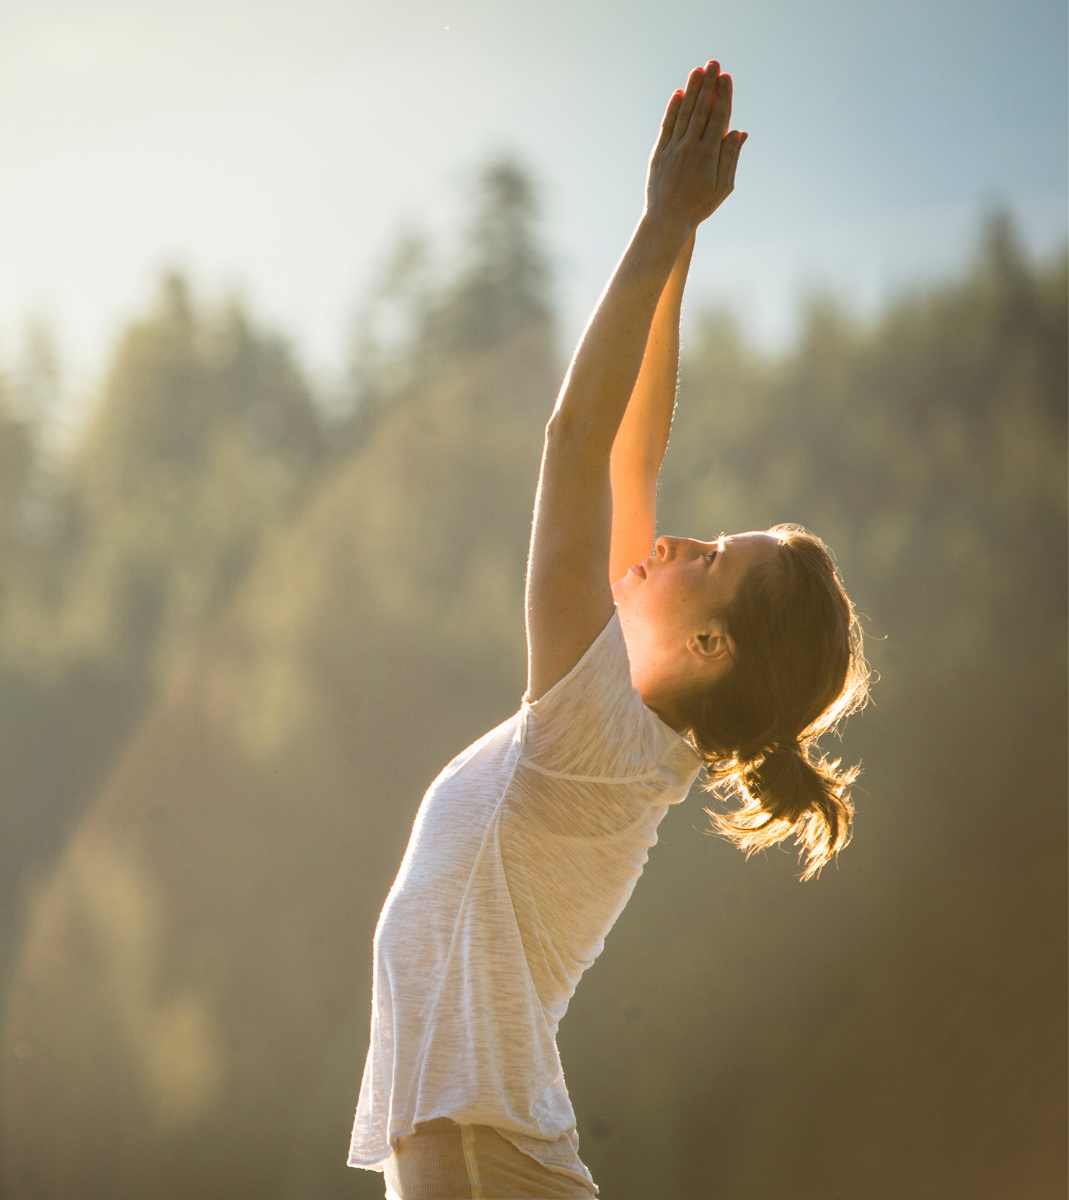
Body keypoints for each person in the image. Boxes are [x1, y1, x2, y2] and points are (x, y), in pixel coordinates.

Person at [347, 61, 870, 1199]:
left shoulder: (599, 730)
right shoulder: (626, 725)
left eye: (712, 560)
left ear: (711, 648)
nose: (678, 540)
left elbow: (577, 440)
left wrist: (658, 225)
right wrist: (679, 248)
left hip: (480, 1156)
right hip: (482, 1151)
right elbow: (631, 457)